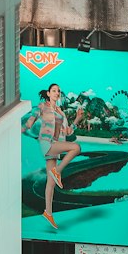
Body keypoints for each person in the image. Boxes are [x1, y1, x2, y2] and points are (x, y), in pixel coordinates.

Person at [22, 83, 81, 230]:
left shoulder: (61, 112)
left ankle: (48, 212)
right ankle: (58, 171)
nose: (57, 93)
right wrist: (21, 128)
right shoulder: (42, 107)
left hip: (56, 144)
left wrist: (77, 120)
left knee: (51, 182)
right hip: (47, 143)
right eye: (54, 91)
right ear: (48, 93)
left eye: (58, 91)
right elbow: (30, 122)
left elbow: (68, 132)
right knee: (76, 148)